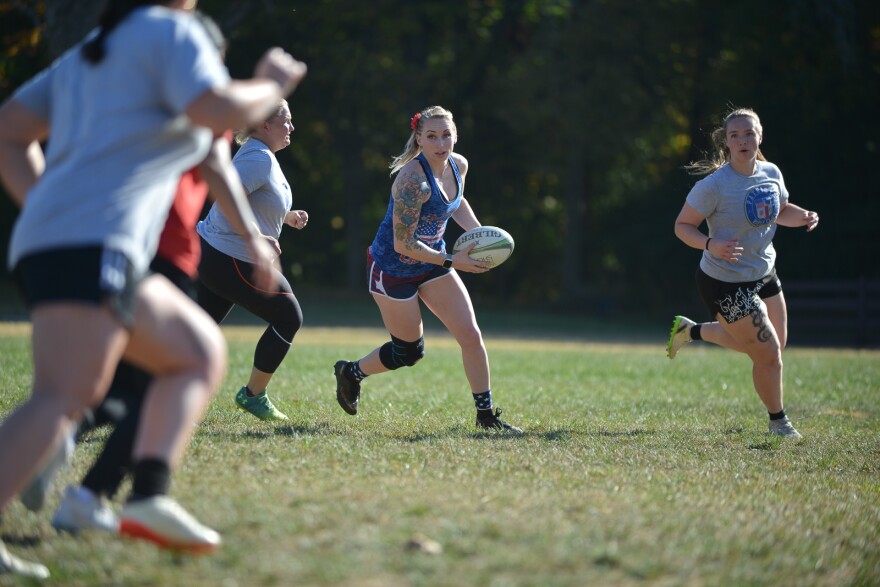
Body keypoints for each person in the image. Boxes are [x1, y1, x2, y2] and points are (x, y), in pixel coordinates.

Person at [0, 0, 306, 577]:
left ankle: (145, 496)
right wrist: (267, 85)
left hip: (77, 244)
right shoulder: (170, 29)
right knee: (62, 396)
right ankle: (119, 495)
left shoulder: (95, 51)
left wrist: (48, 211)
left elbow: (8, 133)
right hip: (91, 245)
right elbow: (214, 108)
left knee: (195, 352)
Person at [332, 105, 522, 433]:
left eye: (446, 134)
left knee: (471, 335)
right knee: (408, 352)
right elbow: (404, 244)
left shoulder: (458, 165)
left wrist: (477, 235)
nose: (440, 142)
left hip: (433, 263)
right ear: (419, 139)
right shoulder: (411, 180)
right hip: (394, 270)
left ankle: (486, 417)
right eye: (431, 136)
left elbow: (456, 202)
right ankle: (351, 373)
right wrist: (454, 261)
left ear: (456, 136)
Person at [665, 107, 819, 440]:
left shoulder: (771, 172)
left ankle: (691, 332)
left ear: (759, 136)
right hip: (724, 282)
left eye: (748, 133)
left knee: (776, 345)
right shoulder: (715, 186)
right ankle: (779, 422)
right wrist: (709, 244)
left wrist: (803, 216)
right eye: (735, 135)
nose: (743, 140)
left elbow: (779, 211)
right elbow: (681, 226)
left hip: (764, 273)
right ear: (726, 142)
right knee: (768, 354)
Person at [196, 98, 308, 422]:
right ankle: (253, 395)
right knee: (289, 316)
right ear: (264, 125)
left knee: (197, 331)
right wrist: (257, 238)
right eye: (286, 121)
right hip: (230, 255)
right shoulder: (257, 158)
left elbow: (253, 201)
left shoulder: (263, 157)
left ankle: (146, 392)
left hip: (220, 254)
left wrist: (285, 218)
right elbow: (225, 200)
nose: (292, 127)